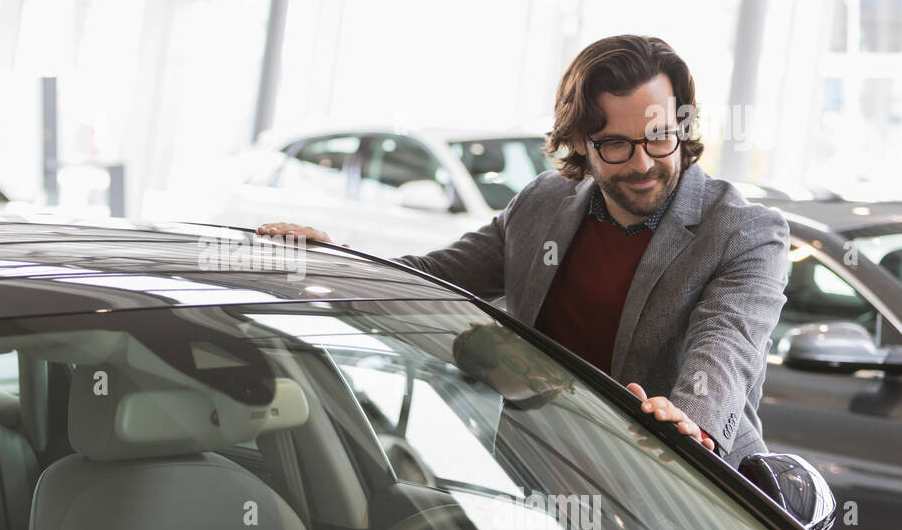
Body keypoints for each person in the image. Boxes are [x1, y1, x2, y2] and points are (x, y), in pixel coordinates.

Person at [257, 34, 790, 465]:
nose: (645, 162)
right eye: (616, 145)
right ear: (580, 140)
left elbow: (728, 342)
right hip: (544, 474)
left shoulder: (745, 233)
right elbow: (432, 276)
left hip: (691, 501)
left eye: (659, 137)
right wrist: (333, 261)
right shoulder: (543, 202)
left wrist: (688, 421)